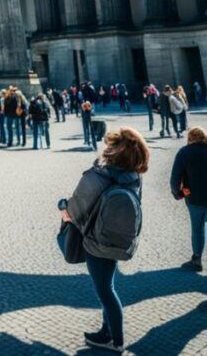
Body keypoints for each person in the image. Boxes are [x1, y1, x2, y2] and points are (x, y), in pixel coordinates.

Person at [62, 128, 148, 353]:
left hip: (97, 241)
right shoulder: (134, 175)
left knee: (105, 291)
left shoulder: (98, 175)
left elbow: (76, 207)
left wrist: (64, 208)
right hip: (117, 239)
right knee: (107, 286)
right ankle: (106, 330)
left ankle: (116, 341)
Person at [170, 127, 207, 272]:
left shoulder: (184, 152)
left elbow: (174, 179)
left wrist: (178, 193)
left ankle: (197, 259)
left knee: (197, 229)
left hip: (194, 198)